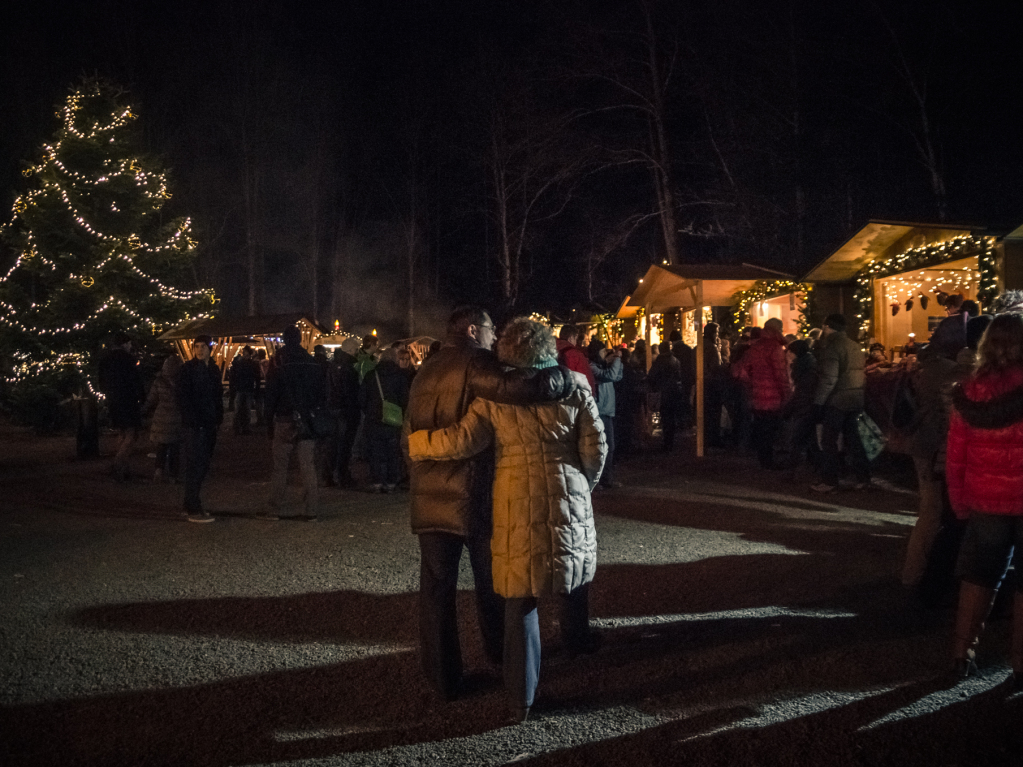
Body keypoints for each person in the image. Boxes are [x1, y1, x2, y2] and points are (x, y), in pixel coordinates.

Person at [408, 317, 606, 722]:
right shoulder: (576, 388)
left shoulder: (493, 400)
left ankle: (521, 699)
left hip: (514, 497)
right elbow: (596, 448)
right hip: (567, 488)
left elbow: (462, 440)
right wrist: (583, 483)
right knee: (570, 574)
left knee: (520, 599)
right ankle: (576, 641)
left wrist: (417, 443)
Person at [945, 313, 1023, 689]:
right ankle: (1020, 662)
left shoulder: (970, 392)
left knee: (979, 575)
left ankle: (962, 655)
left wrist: (959, 501)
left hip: (986, 501)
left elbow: (956, 455)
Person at [263, 325, 328, 521]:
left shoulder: (278, 361)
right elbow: (320, 393)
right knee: (307, 465)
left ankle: (275, 507)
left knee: (280, 465)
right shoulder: (311, 362)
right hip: (307, 419)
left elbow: (271, 393)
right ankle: (311, 509)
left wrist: (268, 420)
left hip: (284, 417)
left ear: (284, 339)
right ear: (300, 340)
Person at [811, 314, 869, 493]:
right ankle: (863, 478)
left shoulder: (832, 346)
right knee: (855, 439)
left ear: (827, 327)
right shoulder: (855, 345)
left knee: (829, 440)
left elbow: (829, 378)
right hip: (856, 397)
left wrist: (818, 402)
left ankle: (830, 481)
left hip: (837, 399)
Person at [176, 335, 223, 522]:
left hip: (209, 423)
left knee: (202, 464)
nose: (200, 349)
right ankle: (193, 506)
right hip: (195, 425)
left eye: (203, 346)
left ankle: (190, 503)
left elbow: (217, 395)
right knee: (195, 463)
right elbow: (182, 398)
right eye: (197, 346)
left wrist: (217, 418)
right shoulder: (187, 370)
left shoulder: (212, 369)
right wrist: (192, 419)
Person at [735, 318, 791, 469]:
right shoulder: (775, 347)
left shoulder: (755, 347)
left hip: (757, 394)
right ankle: (769, 461)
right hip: (773, 395)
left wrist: (753, 383)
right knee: (770, 429)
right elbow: (781, 374)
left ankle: (764, 459)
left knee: (761, 428)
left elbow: (743, 371)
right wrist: (787, 394)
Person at [360, 346, 409, 492]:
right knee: (393, 452)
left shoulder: (371, 375)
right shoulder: (401, 375)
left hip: (374, 419)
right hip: (394, 420)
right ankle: (391, 482)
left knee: (376, 451)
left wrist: (370, 411)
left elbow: (362, 398)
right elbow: (405, 399)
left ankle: (377, 482)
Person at [98, 332, 145, 482]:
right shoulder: (128, 360)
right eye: (129, 344)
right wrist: (141, 397)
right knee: (131, 434)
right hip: (128, 400)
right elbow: (135, 381)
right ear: (125, 344)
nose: (131, 346)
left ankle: (123, 467)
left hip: (113, 400)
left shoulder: (105, 360)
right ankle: (118, 464)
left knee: (122, 432)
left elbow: (101, 382)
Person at [588, 337, 623, 488]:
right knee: (602, 447)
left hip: (607, 411)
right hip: (600, 411)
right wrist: (616, 360)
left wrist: (616, 361)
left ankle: (606, 479)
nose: (604, 354)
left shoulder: (602, 365)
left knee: (609, 447)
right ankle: (600, 480)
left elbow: (618, 376)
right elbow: (610, 376)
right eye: (602, 351)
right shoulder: (591, 367)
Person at [143, 355, 183, 483]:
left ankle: (158, 471)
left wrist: (143, 410)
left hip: (161, 417)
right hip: (176, 417)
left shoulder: (159, 381)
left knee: (161, 447)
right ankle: (173, 475)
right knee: (175, 449)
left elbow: (151, 399)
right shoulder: (181, 382)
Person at [781, 339, 819, 475]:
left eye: (788, 351)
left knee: (797, 439)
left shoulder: (803, 368)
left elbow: (801, 392)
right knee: (810, 439)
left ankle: (791, 470)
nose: (786, 354)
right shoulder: (808, 363)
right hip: (809, 405)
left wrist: (788, 408)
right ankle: (818, 468)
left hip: (805, 406)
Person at [328, 339, 362, 487]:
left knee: (335, 444)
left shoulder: (333, 365)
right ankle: (343, 474)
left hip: (334, 409)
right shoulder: (349, 368)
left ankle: (329, 474)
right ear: (351, 350)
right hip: (347, 411)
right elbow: (350, 393)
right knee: (345, 444)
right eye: (356, 348)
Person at [647, 341, 684, 452]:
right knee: (671, 418)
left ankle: (667, 443)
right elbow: (679, 376)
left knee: (666, 418)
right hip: (674, 391)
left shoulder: (660, 361)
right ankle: (671, 442)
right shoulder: (675, 360)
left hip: (664, 392)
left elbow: (652, 375)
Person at [229, 346, 261, 435]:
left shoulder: (240, 363)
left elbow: (234, 375)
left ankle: (239, 427)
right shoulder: (251, 364)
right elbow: (256, 377)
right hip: (246, 388)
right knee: (244, 409)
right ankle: (243, 427)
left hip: (242, 387)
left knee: (241, 409)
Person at [556, 324, 596, 390]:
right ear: (571, 338)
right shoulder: (573, 354)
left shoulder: (553, 350)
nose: (576, 343)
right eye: (576, 339)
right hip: (579, 394)